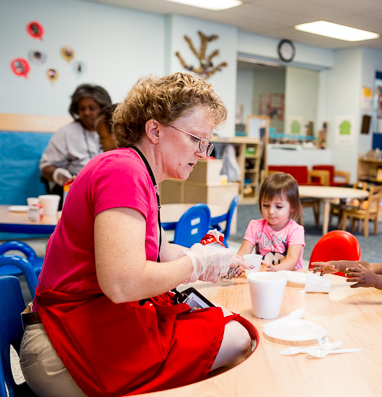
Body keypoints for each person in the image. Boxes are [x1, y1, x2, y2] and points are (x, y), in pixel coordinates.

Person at [20, 73, 254, 397]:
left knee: (225, 328)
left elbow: (158, 251)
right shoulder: (123, 171)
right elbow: (122, 284)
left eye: (207, 143)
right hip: (62, 346)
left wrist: (219, 259)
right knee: (238, 338)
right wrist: (197, 264)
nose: (203, 153)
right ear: (155, 130)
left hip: (86, 324)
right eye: (195, 139)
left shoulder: (137, 171)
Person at [39, 84, 112, 202]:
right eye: (82, 109)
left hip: (106, 189)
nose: (86, 113)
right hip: (75, 191)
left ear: (103, 107)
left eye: (92, 108)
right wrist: (57, 174)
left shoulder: (113, 131)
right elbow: (46, 166)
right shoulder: (66, 132)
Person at [237, 172, 305, 271]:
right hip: (263, 277)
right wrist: (238, 264)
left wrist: (275, 269)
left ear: (292, 206)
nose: (271, 211)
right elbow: (243, 254)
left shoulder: (296, 230)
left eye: (278, 206)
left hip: (288, 278)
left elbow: (292, 260)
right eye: (265, 205)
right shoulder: (254, 225)